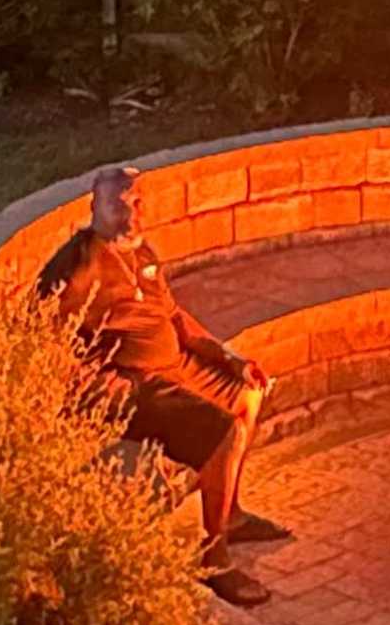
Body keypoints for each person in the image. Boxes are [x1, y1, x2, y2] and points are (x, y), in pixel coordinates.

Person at [33, 164, 282, 603]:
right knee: (224, 431)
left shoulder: (141, 251)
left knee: (248, 393)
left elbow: (174, 317)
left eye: (136, 203)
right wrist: (88, 382)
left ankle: (231, 515)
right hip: (138, 385)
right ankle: (214, 558)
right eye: (117, 206)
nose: (130, 217)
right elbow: (38, 331)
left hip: (177, 365)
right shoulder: (80, 264)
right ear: (94, 207)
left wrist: (228, 358)